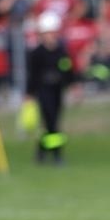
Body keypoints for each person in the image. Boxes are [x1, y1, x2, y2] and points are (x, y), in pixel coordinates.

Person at [27, 11, 76, 165]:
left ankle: (41, 151)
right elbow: (33, 75)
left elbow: (67, 69)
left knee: (52, 124)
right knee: (52, 123)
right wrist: (29, 93)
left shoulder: (61, 52)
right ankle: (57, 155)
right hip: (43, 90)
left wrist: (73, 84)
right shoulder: (37, 53)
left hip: (57, 90)